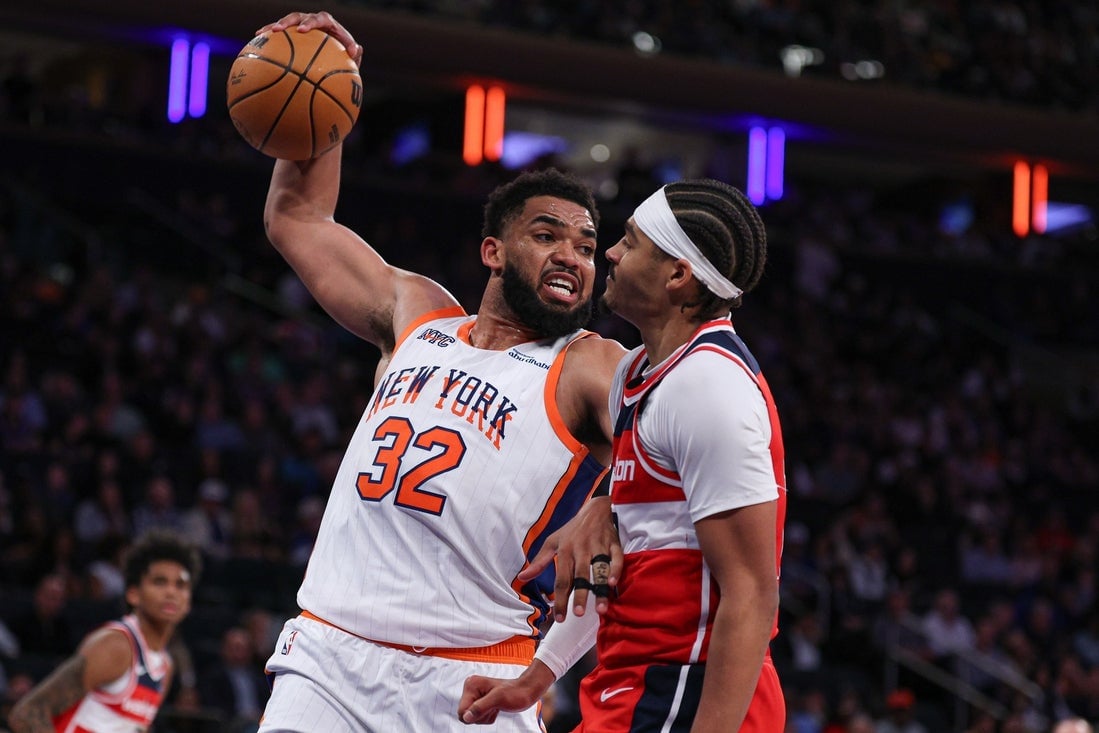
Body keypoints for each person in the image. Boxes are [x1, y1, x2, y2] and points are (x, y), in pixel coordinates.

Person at [252, 11, 625, 733]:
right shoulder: (418, 315)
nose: (572, 256)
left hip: (475, 674)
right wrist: (327, 88)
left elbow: (675, 444)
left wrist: (610, 499)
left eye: (586, 244)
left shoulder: (586, 363)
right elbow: (297, 218)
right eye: (546, 235)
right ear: (492, 251)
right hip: (331, 653)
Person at [459, 179, 788, 732]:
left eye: (631, 243)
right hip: (635, 681)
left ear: (678, 275)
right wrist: (536, 679)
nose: (610, 252)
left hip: (688, 687)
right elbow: (621, 559)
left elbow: (752, 597)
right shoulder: (637, 374)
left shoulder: (707, 386)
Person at [7, 529, 200, 733]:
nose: (171, 592)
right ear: (133, 594)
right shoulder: (117, 645)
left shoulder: (165, 666)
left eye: (181, 585)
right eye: (159, 582)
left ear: (188, 602)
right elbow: (28, 713)